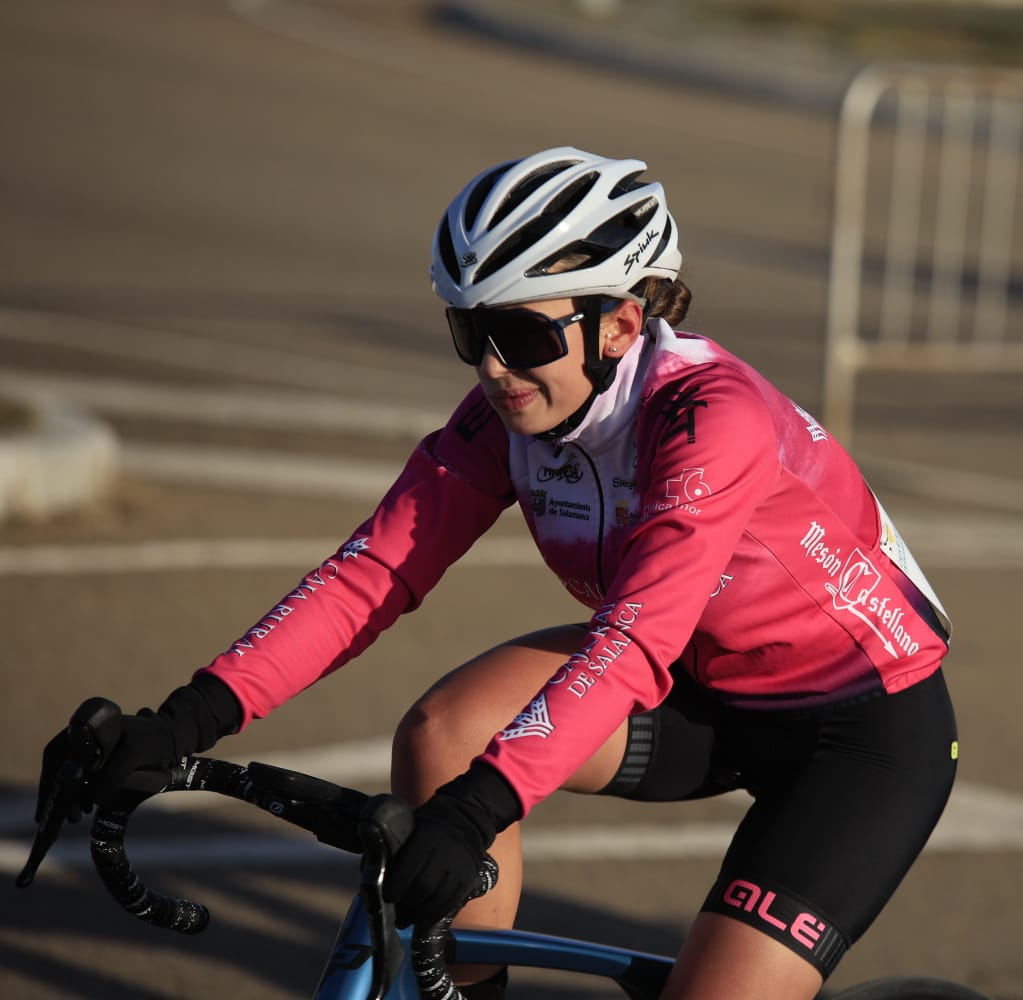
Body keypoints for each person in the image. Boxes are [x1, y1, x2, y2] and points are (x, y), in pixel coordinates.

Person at [35, 147, 958, 1000]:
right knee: (444, 733)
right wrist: (187, 716)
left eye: (518, 333)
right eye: (467, 329)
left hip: (856, 736)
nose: (490, 367)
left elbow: (637, 638)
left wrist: (478, 810)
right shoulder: (513, 415)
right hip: (700, 690)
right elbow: (372, 575)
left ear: (622, 324)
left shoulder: (711, 421)